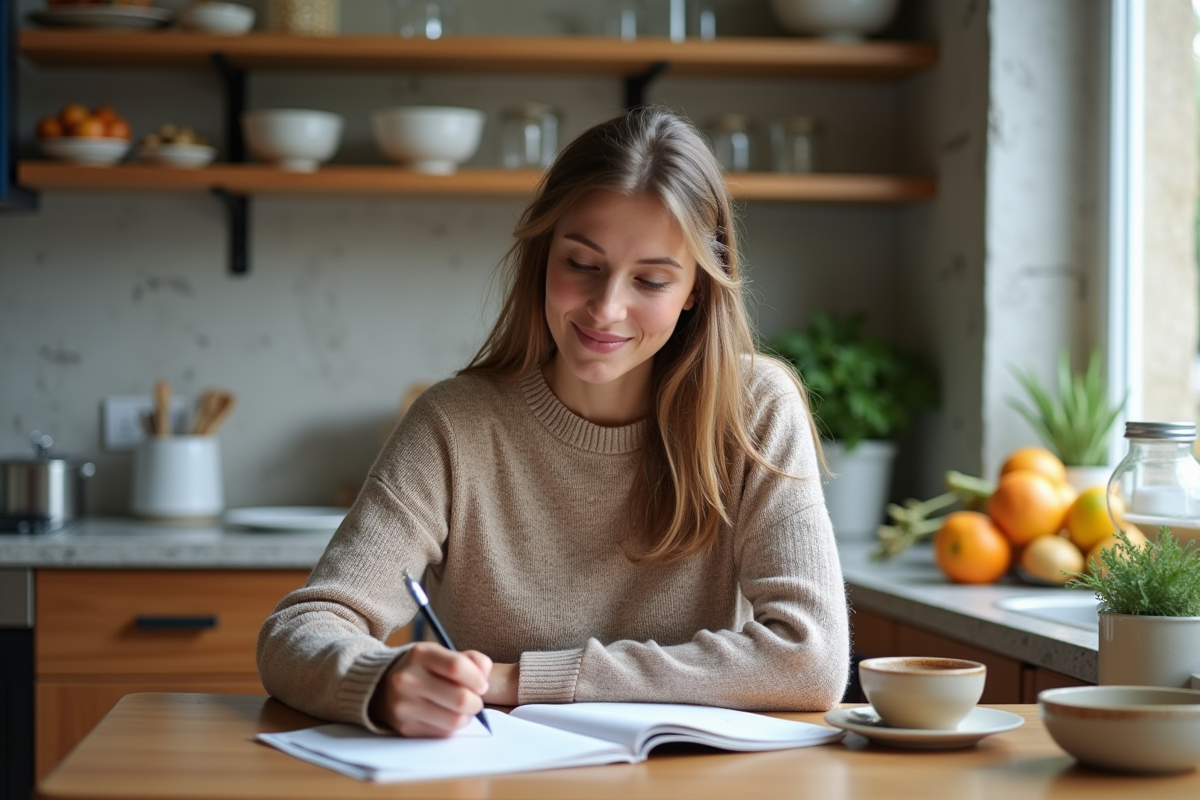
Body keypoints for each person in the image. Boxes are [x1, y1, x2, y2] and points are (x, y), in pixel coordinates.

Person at [257, 105, 850, 739]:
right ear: (544, 255)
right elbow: (300, 632)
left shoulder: (754, 407)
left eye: (650, 280)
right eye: (582, 265)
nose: (607, 308)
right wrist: (380, 683)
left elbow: (810, 660)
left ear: (695, 292)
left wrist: (518, 680)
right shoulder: (455, 424)